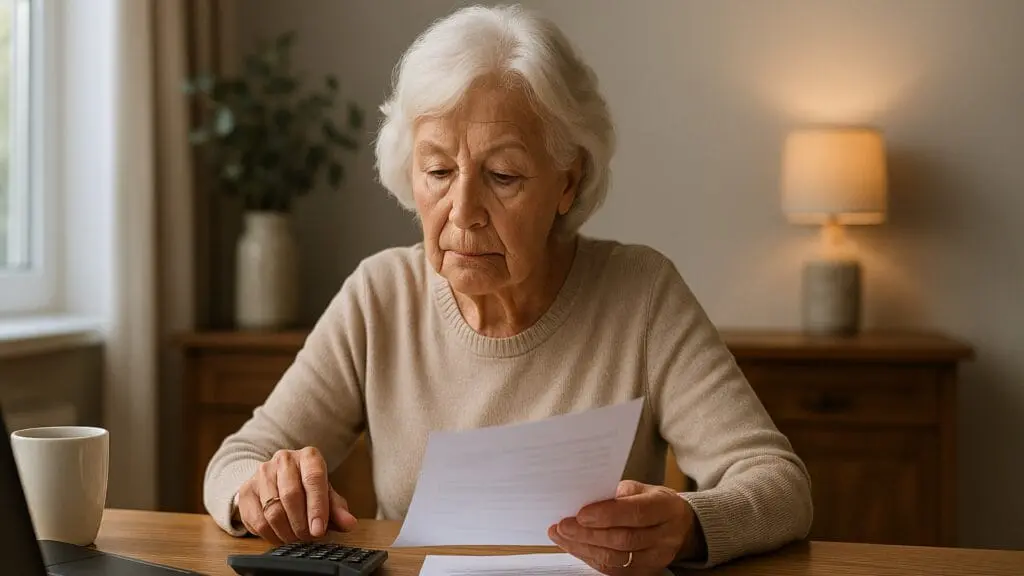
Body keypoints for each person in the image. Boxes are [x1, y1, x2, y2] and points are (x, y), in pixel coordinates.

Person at [204, 4, 813, 572]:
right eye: (438, 171)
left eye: (503, 175)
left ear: (567, 183)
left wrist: (689, 525)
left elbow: (778, 483)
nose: (463, 210)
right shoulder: (380, 294)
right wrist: (258, 490)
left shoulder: (641, 293)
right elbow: (235, 461)